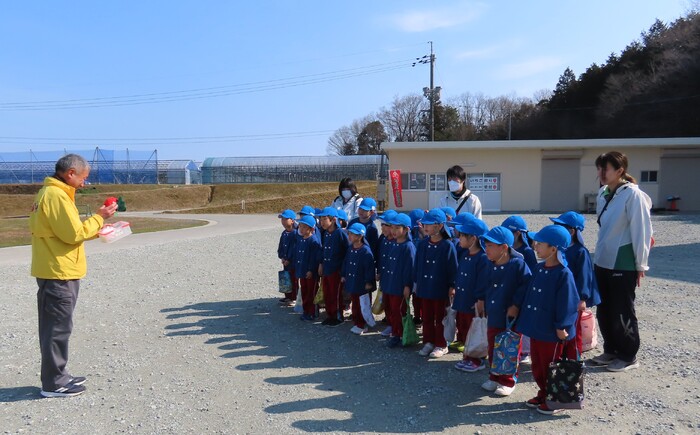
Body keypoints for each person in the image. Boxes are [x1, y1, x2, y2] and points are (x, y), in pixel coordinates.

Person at [30, 154, 117, 398]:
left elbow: (65, 231)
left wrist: (97, 226)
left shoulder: (48, 193)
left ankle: (59, 374)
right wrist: (100, 217)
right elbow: (73, 234)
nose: (84, 182)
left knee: (57, 326)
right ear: (70, 173)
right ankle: (54, 383)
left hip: (54, 268)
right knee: (57, 328)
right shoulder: (57, 196)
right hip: (59, 271)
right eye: (83, 177)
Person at [591, 151, 653, 372]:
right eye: (599, 168)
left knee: (622, 309)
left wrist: (640, 264)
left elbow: (642, 231)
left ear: (620, 171)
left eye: (606, 169)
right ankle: (611, 349)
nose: (601, 173)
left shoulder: (633, 195)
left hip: (623, 262)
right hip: (603, 259)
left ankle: (628, 355)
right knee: (604, 308)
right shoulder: (603, 193)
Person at [515, 225, 579, 415]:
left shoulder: (563, 274)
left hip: (552, 330)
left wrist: (562, 325)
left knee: (551, 364)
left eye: (540, 243)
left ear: (553, 249)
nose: (535, 246)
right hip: (537, 325)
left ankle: (555, 398)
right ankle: (544, 392)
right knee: (538, 363)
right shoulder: (539, 268)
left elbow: (568, 303)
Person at [477, 226, 532, 397]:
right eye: (486, 245)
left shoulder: (518, 265)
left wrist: (516, 304)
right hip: (494, 313)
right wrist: (480, 299)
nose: (486, 249)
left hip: (510, 317)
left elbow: (526, 286)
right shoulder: (489, 264)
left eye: (490, 246)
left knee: (509, 347)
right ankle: (494, 376)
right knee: (493, 346)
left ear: (504, 248)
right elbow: (483, 284)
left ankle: (508, 380)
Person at [550, 211, 601, 354]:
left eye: (560, 226)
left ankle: (574, 355)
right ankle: (560, 354)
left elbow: (585, 276)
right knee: (560, 327)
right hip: (561, 296)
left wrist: (582, 298)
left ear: (571, 231)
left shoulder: (580, 251)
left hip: (574, 298)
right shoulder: (558, 248)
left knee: (573, 328)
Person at [413, 209, 458, 359]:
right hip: (425, 287)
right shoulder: (423, 244)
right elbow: (417, 265)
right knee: (427, 316)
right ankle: (428, 341)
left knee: (440, 318)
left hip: (440, 288)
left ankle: (441, 344)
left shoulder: (447, 245)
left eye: (429, 224)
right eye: (424, 224)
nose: (425, 227)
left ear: (439, 226)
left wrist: (452, 286)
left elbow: (453, 268)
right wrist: (415, 282)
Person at [451, 218, 491, 371]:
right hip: (462, 299)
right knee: (463, 328)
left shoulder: (482, 258)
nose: (459, 237)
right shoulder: (465, 254)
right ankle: (467, 356)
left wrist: (480, 300)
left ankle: (477, 359)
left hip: (473, 303)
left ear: (473, 238)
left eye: (462, 235)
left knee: (474, 330)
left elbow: (483, 282)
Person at [501, 215, 537, 363]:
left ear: (517, 233)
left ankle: (526, 351)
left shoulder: (526, 251)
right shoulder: (507, 249)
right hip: (509, 291)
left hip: (523, 293)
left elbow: (531, 275)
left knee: (523, 322)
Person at [383, 213, 416, 348]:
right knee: (392, 310)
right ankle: (395, 332)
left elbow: (410, 269)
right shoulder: (393, 243)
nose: (394, 231)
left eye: (397, 228)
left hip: (400, 286)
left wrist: (408, 285)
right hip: (391, 283)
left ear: (406, 229)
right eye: (392, 227)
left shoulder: (408, 246)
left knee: (399, 310)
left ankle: (401, 334)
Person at [341, 223, 376, 335]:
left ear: (360, 236)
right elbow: (346, 262)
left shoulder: (365, 251)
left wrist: (369, 281)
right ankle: (357, 322)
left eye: (352, 234)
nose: (349, 236)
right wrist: (343, 275)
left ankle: (362, 324)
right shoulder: (350, 248)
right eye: (349, 233)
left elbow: (369, 268)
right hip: (352, 282)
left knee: (363, 304)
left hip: (362, 283)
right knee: (355, 303)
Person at [317, 207, 349, 326]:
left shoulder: (340, 233)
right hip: (327, 268)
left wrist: (343, 270)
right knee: (328, 292)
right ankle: (330, 315)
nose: (322, 222)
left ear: (333, 220)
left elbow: (347, 251)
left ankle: (338, 316)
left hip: (336, 269)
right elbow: (323, 250)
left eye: (324, 219)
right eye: (321, 219)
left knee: (336, 294)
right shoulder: (326, 233)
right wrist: (321, 264)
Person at [294, 215, 323, 322]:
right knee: (304, 291)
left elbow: (314, 258)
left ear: (311, 229)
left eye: (304, 227)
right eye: (300, 226)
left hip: (311, 273)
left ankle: (313, 312)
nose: (301, 229)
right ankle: (306, 311)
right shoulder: (301, 240)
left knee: (312, 292)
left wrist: (311, 270)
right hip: (302, 271)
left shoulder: (313, 241)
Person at [376, 209, 397, 336]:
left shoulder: (398, 242)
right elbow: (379, 256)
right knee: (387, 302)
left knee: (396, 305)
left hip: (395, 280)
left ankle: (397, 328)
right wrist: (379, 271)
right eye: (382, 224)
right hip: (384, 277)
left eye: (385, 225)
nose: (382, 227)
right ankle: (390, 324)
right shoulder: (383, 239)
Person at [277, 209, 298, 307]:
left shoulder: (295, 233)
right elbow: (281, 246)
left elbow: (295, 249)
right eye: (282, 219)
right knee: (286, 278)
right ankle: (287, 296)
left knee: (293, 279)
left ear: (292, 220)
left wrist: (289, 259)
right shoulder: (284, 233)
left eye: (285, 219)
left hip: (293, 262)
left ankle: (294, 297)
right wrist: (281, 256)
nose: (283, 221)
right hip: (285, 261)